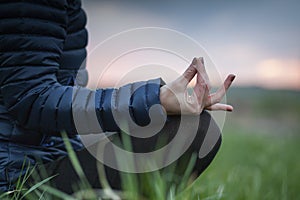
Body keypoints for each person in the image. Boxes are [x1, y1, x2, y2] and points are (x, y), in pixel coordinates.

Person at [0, 0, 235, 195]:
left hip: (35, 163)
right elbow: (31, 97)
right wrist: (156, 99)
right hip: (14, 180)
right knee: (193, 130)